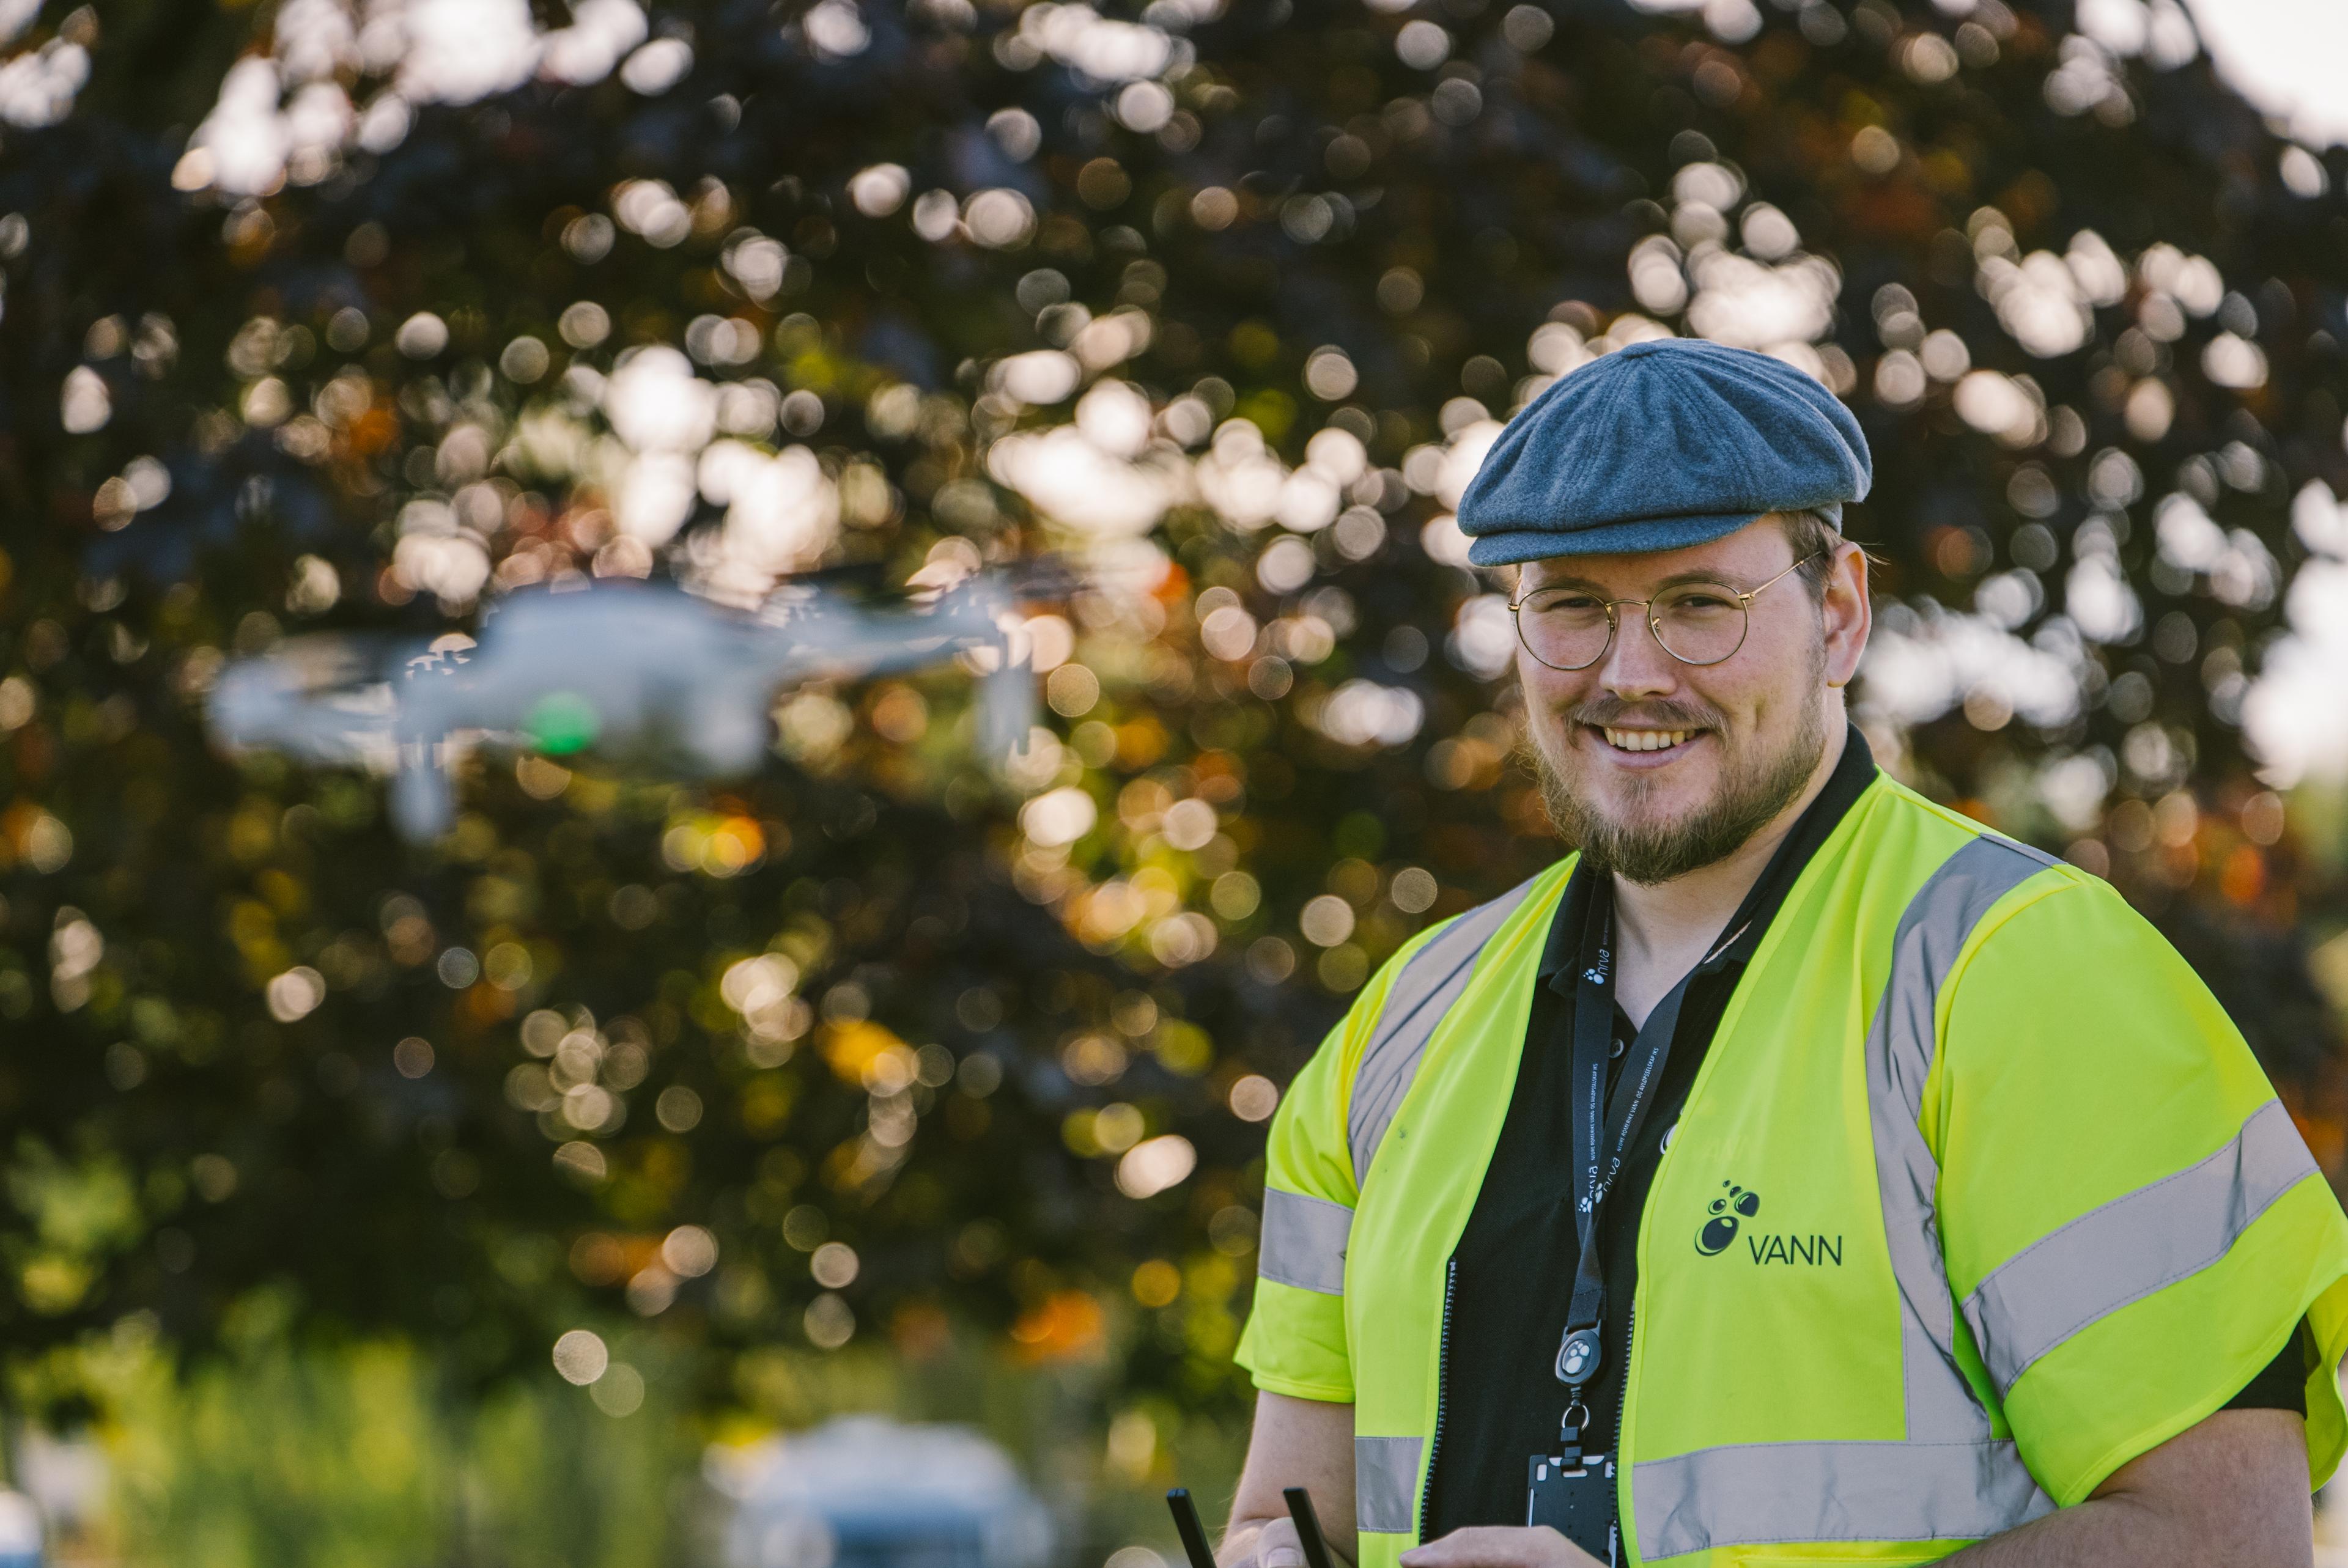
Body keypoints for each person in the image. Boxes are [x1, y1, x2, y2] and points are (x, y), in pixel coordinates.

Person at [1215, 339, 2348, 1568]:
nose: (1629, 673)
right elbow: (1282, 1520)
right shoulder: (1395, 1029)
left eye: (1700, 603)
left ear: (1840, 611)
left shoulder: (2028, 978)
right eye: (1573, 606)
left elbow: (2229, 1543)